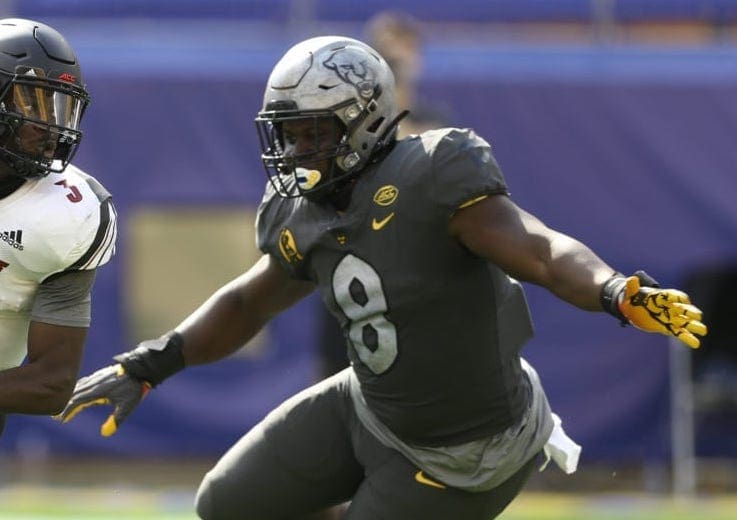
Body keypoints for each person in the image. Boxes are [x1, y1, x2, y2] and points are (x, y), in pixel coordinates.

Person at [59, 36, 706, 520]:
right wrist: (149, 364)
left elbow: (536, 248)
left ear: (363, 120)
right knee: (226, 505)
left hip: (466, 449)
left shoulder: (433, 174)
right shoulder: (299, 213)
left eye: (309, 132)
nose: (293, 152)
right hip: (368, 407)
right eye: (285, 135)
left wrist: (610, 289)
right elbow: (247, 303)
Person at [0, 19, 117, 437]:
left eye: (59, 107)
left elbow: (52, 381)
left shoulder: (68, 216)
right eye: (32, 104)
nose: (51, 125)